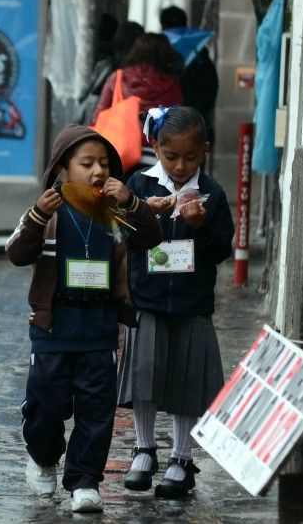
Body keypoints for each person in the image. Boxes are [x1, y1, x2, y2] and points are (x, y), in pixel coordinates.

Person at [6, 125, 162, 513]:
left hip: (99, 330)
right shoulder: (49, 210)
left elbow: (151, 237)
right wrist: (37, 216)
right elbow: (16, 253)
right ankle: (43, 458)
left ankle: (85, 480)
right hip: (54, 328)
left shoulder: (113, 212)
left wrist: (131, 202)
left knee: (96, 411)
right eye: (86, 163)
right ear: (62, 169)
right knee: (44, 406)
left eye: (104, 164)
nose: (97, 172)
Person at [116, 106, 234, 499]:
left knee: (187, 378)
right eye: (171, 156)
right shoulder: (140, 184)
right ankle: (144, 448)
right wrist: (144, 212)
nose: (181, 166)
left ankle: (182, 457)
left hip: (192, 302)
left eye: (190, 157)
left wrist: (200, 226)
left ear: (205, 150)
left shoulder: (212, 194)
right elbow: (123, 236)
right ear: (155, 147)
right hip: (147, 297)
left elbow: (221, 249)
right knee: (145, 376)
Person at [90, 32, 184, 123]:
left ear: (136, 51)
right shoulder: (172, 85)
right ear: (166, 55)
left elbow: (97, 116)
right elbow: (179, 122)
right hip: (157, 138)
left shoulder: (118, 78)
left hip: (120, 137)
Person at [160, 5, 219, 142]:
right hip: (197, 126)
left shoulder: (161, 57)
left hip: (168, 128)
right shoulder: (199, 54)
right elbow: (212, 88)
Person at [73, 20, 144, 125]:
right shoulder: (139, 73)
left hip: (101, 128)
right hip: (123, 130)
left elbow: (83, 96)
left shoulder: (105, 65)